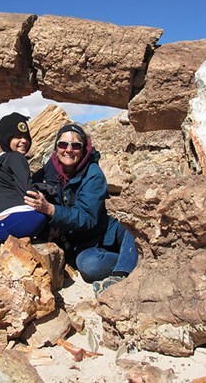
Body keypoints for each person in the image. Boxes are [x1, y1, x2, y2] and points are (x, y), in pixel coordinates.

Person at [23, 123, 138, 294]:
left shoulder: (93, 174)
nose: (68, 150)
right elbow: (24, 188)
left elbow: (87, 218)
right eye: (63, 144)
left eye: (76, 145)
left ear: (84, 149)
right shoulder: (48, 171)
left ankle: (123, 271)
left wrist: (50, 209)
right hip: (83, 243)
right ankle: (131, 258)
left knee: (134, 227)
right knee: (89, 266)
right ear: (56, 147)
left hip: (107, 231)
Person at [0, 112, 48, 243]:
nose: (23, 141)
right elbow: (27, 191)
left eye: (26, 137)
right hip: (17, 222)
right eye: (17, 137)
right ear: (6, 139)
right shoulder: (16, 157)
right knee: (48, 210)